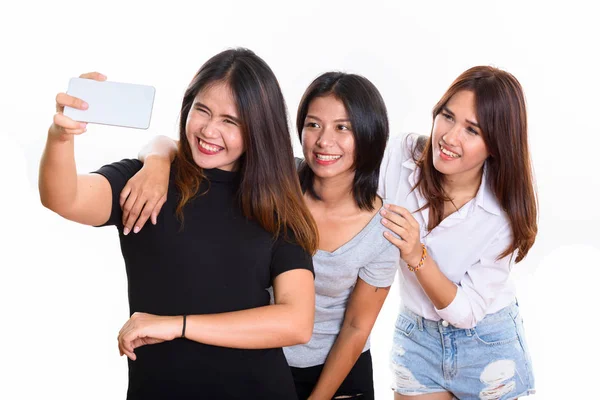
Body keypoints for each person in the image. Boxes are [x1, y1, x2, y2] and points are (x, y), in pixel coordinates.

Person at [38, 48, 319, 400]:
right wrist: (61, 138)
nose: (209, 130)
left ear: (258, 129)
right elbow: (64, 198)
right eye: (202, 110)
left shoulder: (276, 201)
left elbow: (296, 323)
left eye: (230, 121)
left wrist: (177, 326)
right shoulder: (146, 183)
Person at [121, 72, 399, 400]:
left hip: (337, 375)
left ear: (370, 134)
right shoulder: (275, 182)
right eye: (313, 125)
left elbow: (356, 328)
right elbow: (178, 145)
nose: (324, 141)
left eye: (343, 127)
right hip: (257, 360)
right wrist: (155, 163)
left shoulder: (384, 230)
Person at [379, 66, 537, 399]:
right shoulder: (398, 157)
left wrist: (416, 254)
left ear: (495, 144)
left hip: (487, 346)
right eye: (447, 117)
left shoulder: (502, 216)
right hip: (417, 337)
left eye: (472, 130)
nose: (450, 137)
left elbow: (466, 311)